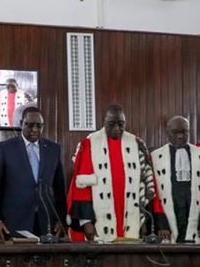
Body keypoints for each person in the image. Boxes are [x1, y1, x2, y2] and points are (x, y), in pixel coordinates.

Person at [68, 104, 170, 242]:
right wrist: (86, 222)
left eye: (121, 124)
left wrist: (143, 220)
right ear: (103, 122)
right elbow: (82, 186)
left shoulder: (136, 143)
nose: (117, 128)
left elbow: (145, 184)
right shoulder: (90, 144)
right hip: (99, 218)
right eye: (111, 124)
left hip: (130, 215)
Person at [0, 106, 67, 241]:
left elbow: (60, 189)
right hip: (14, 221)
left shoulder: (53, 150)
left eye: (39, 126)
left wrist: (62, 219)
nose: (34, 129)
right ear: (21, 124)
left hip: (46, 222)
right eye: (29, 125)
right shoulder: (5, 148)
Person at [150, 116, 200, 243]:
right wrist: (162, 224)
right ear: (167, 132)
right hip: (169, 220)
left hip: (196, 216)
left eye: (184, 132)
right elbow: (155, 194)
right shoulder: (156, 157)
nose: (180, 136)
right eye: (175, 132)